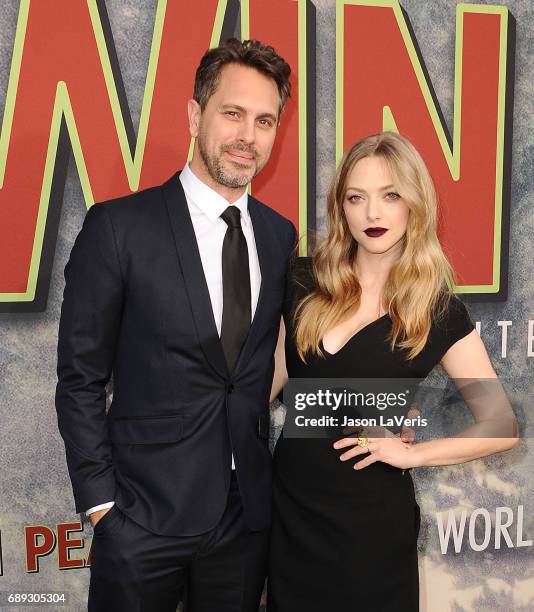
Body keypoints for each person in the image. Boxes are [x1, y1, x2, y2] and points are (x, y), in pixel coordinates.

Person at [55, 38, 296, 612]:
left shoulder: (278, 234)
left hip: (243, 523)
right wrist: (102, 507)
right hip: (141, 519)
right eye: (232, 113)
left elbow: (278, 361)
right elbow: (79, 379)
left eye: (264, 121)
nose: (248, 136)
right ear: (195, 116)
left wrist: (382, 415)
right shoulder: (119, 228)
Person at [267, 132, 518, 611]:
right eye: (356, 198)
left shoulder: (434, 308)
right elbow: (270, 380)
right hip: (292, 516)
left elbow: (502, 425)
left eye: (390, 196)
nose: (372, 214)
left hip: (371, 531)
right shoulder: (302, 281)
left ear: (414, 204)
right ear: (341, 207)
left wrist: (415, 455)